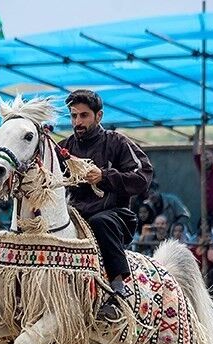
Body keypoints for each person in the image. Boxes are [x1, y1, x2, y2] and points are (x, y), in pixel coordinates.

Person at [58, 89, 153, 321]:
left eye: (83, 116)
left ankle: (117, 292)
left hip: (114, 216)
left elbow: (143, 177)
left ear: (98, 116)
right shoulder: (63, 149)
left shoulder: (117, 142)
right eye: (73, 116)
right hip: (74, 217)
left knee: (100, 221)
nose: (77, 122)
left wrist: (104, 177)